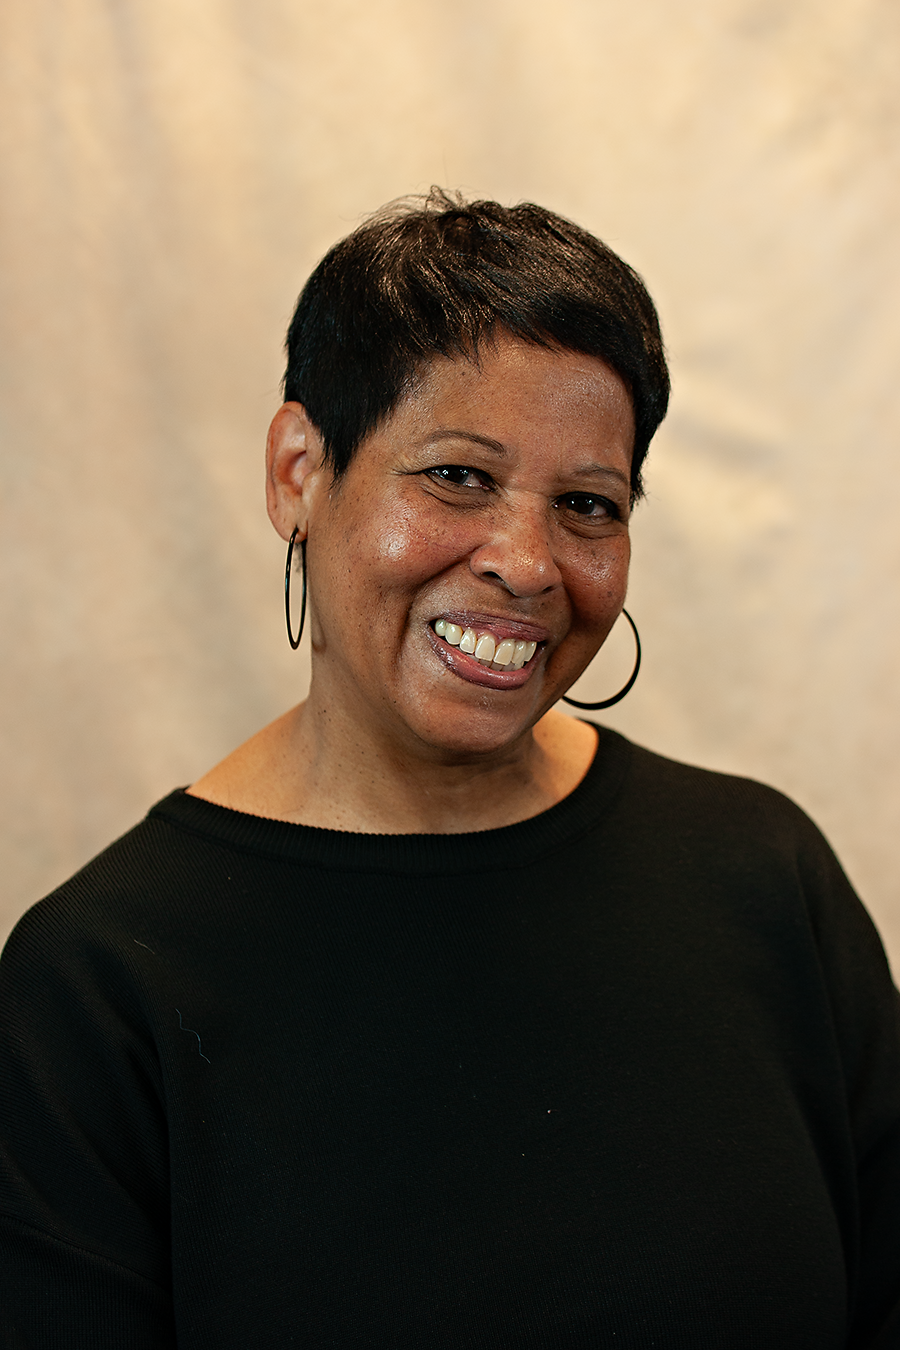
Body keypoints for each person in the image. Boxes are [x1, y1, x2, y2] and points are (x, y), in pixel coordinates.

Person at [1, 190, 899, 1350]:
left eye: (586, 505)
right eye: (458, 477)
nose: (527, 566)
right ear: (298, 473)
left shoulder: (762, 876)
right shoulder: (98, 985)